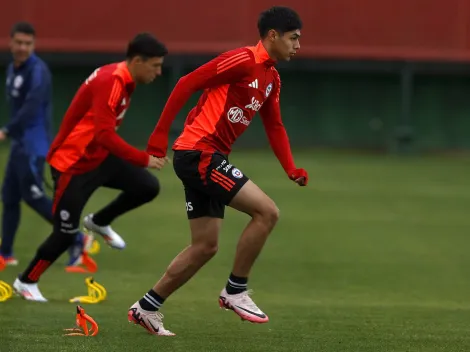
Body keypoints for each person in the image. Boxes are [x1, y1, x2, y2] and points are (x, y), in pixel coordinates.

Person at [128, 6, 309, 335]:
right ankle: (235, 291)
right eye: (293, 38)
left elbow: (275, 126)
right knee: (267, 212)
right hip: (199, 153)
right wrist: (157, 136)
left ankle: (147, 308)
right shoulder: (242, 60)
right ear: (272, 36)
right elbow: (186, 83)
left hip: (203, 156)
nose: (298, 46)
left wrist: (291, 168)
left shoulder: (272, 78)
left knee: (205, 246)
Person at [12, 32, 169, 301]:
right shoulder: (112, 81)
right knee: (64, 234)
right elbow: (104, 135)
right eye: (155, 65)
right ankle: (26, 281)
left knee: (146, 186)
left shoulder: (123, 77)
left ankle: (99, 221)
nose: (159, 71)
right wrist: (143, 158)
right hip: (72, 164)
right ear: (137, 61)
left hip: (97, 157)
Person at [0, 22, 86, 269]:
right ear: (11, 42)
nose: (22, 48)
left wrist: (7, 130)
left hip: (33, 146)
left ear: (33, 45)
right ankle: (5, 253)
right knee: (9, 198)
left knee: (34, 197)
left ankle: (77, 238)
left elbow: (30, 108)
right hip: (20, 145)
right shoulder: (12, 69)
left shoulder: (38, 71)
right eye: (19, 42)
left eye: (28, 44)